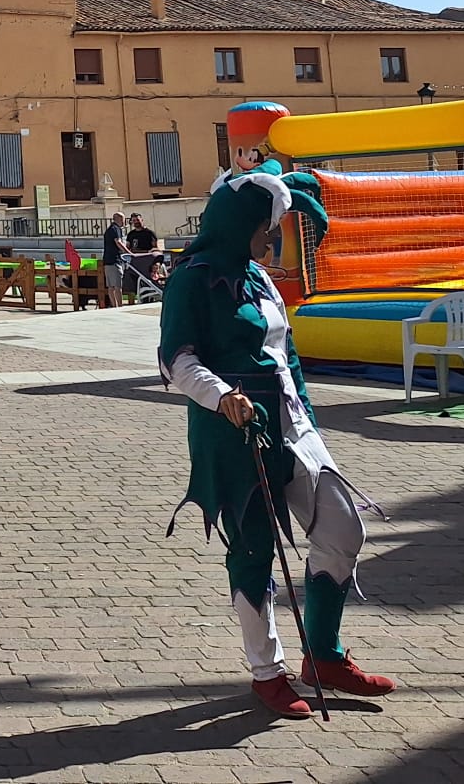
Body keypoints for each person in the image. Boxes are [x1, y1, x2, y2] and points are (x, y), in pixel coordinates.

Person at [158, 165, 395, 719]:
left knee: (342, 528)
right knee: (252, 548)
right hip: (232, 432)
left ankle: (324, 657)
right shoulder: (192, 278)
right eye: (270, 224)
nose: (275, 235)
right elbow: (175, 360)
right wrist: (222, 397)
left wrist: (307, 416)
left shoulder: (260, 278)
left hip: (293, 428)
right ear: (244, 221)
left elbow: (285, 357)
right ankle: (267, 672)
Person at [101, 212, 128, 306]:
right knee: (117, 285)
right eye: (123, 219)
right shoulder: (116, 229)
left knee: (110, 286)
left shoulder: (109, 229)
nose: (124, 221)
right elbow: (118, 242)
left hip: (107, 260)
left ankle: (114, 305)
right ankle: (120, 306)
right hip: (115, 260)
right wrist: (128, 252)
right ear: (119, 219)